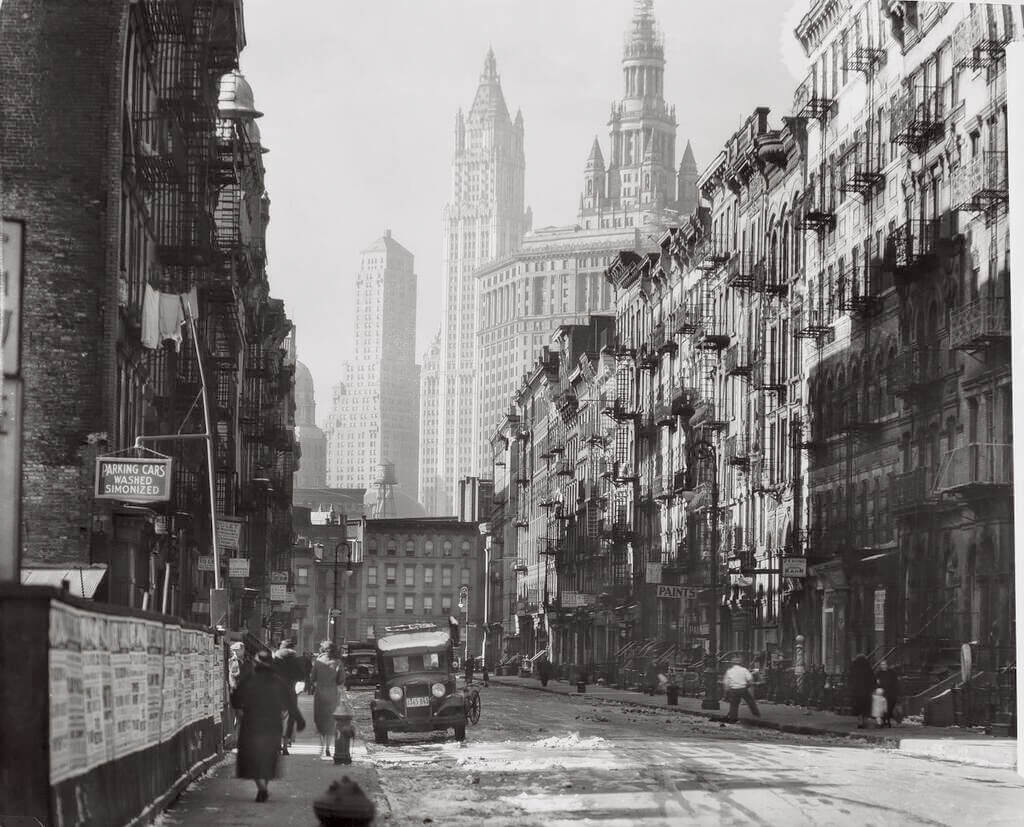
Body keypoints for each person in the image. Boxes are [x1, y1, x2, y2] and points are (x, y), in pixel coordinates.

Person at [231, 649, 305, 803]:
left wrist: (240, 701)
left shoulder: (249, 680)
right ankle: (264, 786)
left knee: (253, 758)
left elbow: (236, 701)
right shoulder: (278, 681)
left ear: (256, 664)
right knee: (268, 757)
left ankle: (261, 788)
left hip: (252, 725)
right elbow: (290, 702)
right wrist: (299, 719)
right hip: (272, 725)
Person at [309, 640, 346, 760]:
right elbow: (341, 680)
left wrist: (317, 684)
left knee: (320, 719)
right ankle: (328, 748)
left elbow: (312, 678)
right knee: (331, 721)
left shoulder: (318, 661)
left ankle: (322, 746)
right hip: (332, 695)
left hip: (319, 694)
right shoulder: (338, 662)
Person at [273, 638, 306, 754]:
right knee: (291, 718)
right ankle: (286, 745)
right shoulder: (295, 660)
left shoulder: (275, 658)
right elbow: (301, 675)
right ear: (292, 648)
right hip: (290, 691)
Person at [722, 656, 761, 723]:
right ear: (741, 663)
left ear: (732, 664)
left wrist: (726, 692)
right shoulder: (744, 670)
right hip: (743, 689)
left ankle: (733, 718)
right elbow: (750, 679)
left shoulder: (729, 671)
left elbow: (726, 683)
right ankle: (756, 713)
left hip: (733, 689)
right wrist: (749, 685)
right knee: (750, 701)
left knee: (734, 705)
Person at [848, 653, 876, 729]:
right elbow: (872, 679)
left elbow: (850, 679)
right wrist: (872, 688)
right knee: (866, 707)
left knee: (858, 707)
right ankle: (865, 721)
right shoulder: (868, 668)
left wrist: (851, 689)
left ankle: (860, 721)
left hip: (857, 691)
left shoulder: (854, 668)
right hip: (866, 692)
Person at [876, 660, 901, 727]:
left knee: (889, 707)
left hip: (891, 692)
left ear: (887, 665)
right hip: (882, 693)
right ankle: (884, 721)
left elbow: (895, 682)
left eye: (884, 664)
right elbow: (877, 682)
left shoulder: (892, 672)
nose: (883, 666)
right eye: (881, 665)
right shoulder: (879, 673)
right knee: (883, 708)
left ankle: (887, 720)